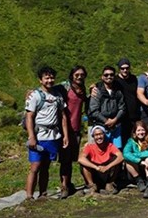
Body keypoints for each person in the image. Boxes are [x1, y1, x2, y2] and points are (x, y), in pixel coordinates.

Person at [24, 66, 69, 200]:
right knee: (35, 166)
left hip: (53, 135)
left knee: (46, 166)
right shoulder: (35, 96)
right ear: (40, 80)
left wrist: (65, 135)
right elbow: (29, 117)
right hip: (39, 135)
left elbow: (63, 116)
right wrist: (31, 136)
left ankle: (43, 193)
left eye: (52, 77)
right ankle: (29, 196)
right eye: (46, 78)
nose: (50, 80)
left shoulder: (58, 96)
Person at [57, 65, 88, 198]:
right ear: (72, 75)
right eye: (77, 74)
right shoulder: (64, 87)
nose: (79, 77)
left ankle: (68, 184)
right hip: (65, 129)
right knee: (65, 159)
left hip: (76, 129)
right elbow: (47, 89)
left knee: (71, 158)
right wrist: (32, 91)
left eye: (82, 74)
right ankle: (64, 186)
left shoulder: (82, 89)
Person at [88, 66, 126, 150]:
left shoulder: (118, 91)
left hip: (116, 125)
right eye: (106, 75)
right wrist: (106, 121)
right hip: (101, 126)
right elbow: (93, 110)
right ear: (102, 77)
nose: (109, 77)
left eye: (111, 74)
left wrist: (115, 120)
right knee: (102, 150)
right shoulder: (96, 91)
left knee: (117, 150)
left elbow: (122, 108)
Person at [78, 125, 123, 195]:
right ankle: (91, 185)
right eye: (96, 135)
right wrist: (96, 167)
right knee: (84, 163)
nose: (99, 137)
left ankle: (110, 184)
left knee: (116, 160)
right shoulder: (89, 147)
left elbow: (121, 157)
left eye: (100, 134)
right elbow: (80, 159)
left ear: (104, 135)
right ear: (93, 137)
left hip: (107, 173)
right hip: (95, 172)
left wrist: (107, 167)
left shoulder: (110, 146)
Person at [123, 121, 148, 199]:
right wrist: (139, 161)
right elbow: (125, 154)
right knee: (128, 161)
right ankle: (139, 181)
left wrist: (134, 154)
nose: (141, 132)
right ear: (135, 132)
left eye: (142, 130)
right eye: (138, 130)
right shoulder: (130, 141)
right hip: (136, 168)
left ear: (146, 131)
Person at [114, 57, 140, 149]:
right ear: (119, 69)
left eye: (127, 68)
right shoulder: (115, 80)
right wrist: (92, 87)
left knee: (134, 140)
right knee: (122, 142)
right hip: (121, 117)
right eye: (122, 68)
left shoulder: (134, 79)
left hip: (135, 116)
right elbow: (102, 84)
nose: (125, 70)